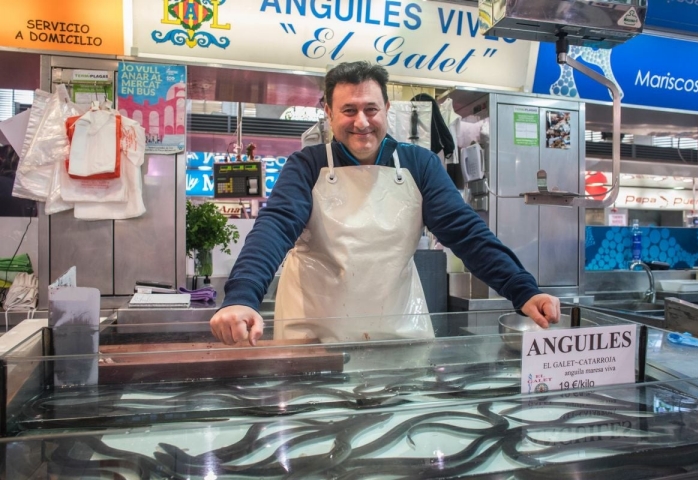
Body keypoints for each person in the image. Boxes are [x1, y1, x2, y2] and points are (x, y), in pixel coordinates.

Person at [210, 61, 560, 346]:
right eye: (348, 110)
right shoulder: (307, 165)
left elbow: (465, 232)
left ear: (387, 110)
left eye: (371, 109)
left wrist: (522, 289)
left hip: (397, 327)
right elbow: (274, 228)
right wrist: (242, 296)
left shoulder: (419, 164)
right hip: (314, 332)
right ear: (329, 113)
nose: (361, 122)